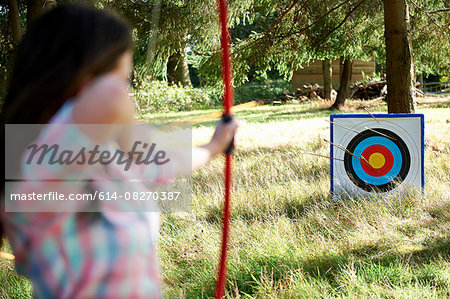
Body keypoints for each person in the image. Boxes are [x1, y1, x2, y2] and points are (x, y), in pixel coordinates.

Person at [0, 3, 237, 298]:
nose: (126, 95)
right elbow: (109, 98)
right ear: (83, 78)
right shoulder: (39, 167)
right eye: (123, 79)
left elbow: (168, 163)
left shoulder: (102, 162)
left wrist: (213, 146)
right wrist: (136, 140)